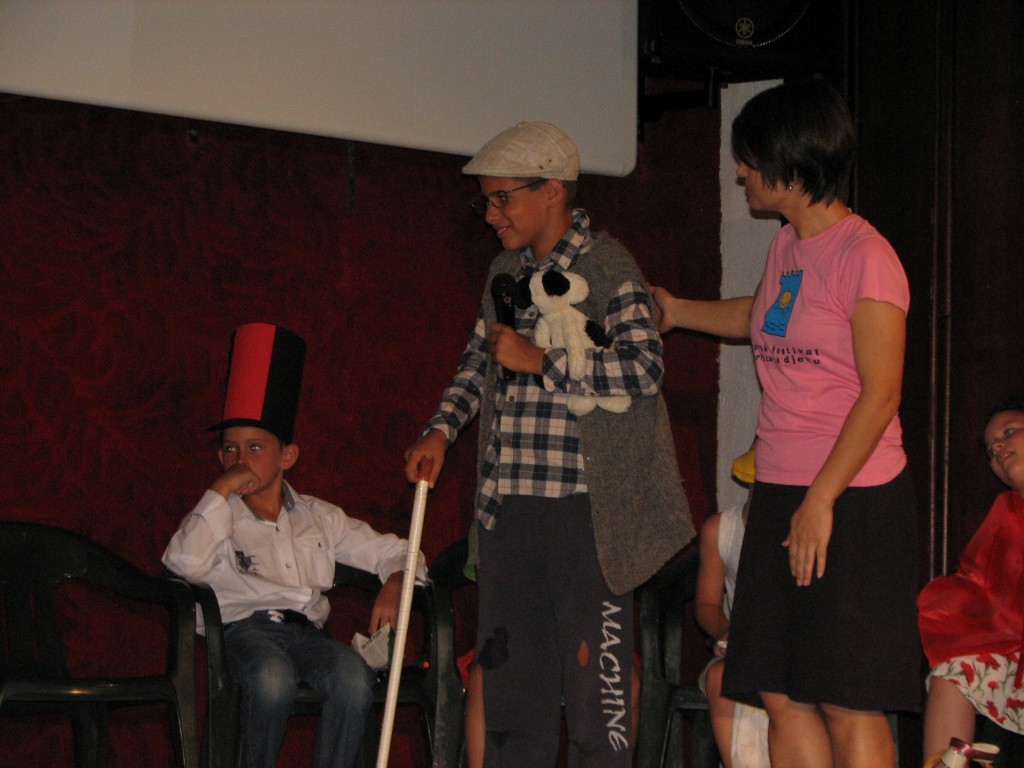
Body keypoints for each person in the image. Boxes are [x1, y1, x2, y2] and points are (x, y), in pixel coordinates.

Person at [404, 121, 694, 767]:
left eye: (503, 198)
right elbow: (478, 364)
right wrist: (442, 430)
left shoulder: (608, 268)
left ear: (553, 191)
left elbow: (644, 368)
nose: (492, 215)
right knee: (512, 687)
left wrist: (542, 361)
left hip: (586, 514)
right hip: (510, 509)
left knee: (596, 688)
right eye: (486, 201)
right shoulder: (504, 272)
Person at [651, 79, 920, 768]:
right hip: (780, 489)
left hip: (852, 497)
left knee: (847, 698)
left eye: (750, 157)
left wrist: (821, 499)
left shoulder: (866, 256)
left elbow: (882, 394)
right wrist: (678, 310)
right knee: (781, 691)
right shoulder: (787, 248)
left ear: (792, 164)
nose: (740, 170)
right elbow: (761, 315)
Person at [163, 323, 427, 768]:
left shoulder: (317, 515)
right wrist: (220, 491)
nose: (240, 460)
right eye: (229, 450)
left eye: (255, 448)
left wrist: (397, 580)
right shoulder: (218, 515)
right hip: (244, 632)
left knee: (352, 676)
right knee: (272, 679)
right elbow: (182, 563)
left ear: (287, 456)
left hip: (307, 633)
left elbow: (400, 549)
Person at [918, 399, 1024, 760]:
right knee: (954, 670)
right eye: (991, 449)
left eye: (1009, 432)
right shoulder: (1006, 513)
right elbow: (980, 589)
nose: (998, 447)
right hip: (1013, 646)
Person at [695, 447, 768, 768]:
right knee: (719, 678)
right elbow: (706, 604)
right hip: (745, 649)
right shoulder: (721, 530)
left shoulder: (808, 527)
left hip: (798, 651)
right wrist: (725, 631)